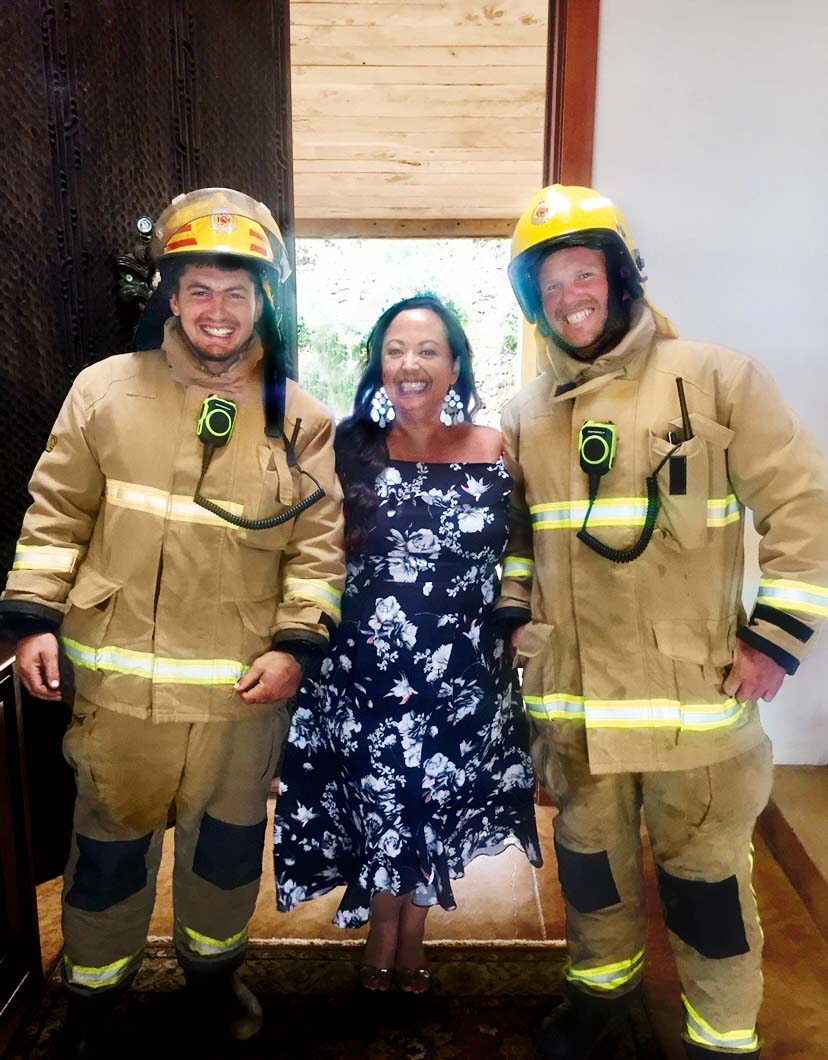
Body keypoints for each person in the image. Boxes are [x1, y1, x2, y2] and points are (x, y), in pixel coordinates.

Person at [0, 188, 345, 1056]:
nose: (218, 311)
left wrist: (297, 644)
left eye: (237, 292)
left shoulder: (299, 418)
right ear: (170, 295)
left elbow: (318, 548)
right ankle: (92, 1002)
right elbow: (56, 513)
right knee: (107, 862)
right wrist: (33, 619)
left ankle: (212, 978)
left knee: (225, 860)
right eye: (199, 290)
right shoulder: (103, 391)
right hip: (116, 698)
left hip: (239, 700)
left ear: (265, 300)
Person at [498, 184, 828, 1059]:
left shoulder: (716, 379)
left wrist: (775, 642)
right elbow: (522, 543)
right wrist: (516, 628)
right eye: (551, 285)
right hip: (575, 713)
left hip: (697, 712)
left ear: (621, 278)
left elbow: (805, 511)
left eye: (585, 274)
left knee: (706, 893)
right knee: (593, 876)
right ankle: (599, 1003)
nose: (571, 297)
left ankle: (723, 1038)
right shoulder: (526, 415)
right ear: (534, 304)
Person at [274, 295, 542, 992]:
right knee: (383, 807)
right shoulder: (345, 447)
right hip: (364, 677)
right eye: (395, 350)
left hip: (463, 676)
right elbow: (308, 546)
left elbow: (525, 548)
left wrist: (518, 622)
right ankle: (380, 941)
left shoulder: (498, 450)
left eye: (428, 350)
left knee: (434, 809)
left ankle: (411, 936)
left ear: (455, 366)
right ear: (378, 365)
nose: (410, 364)